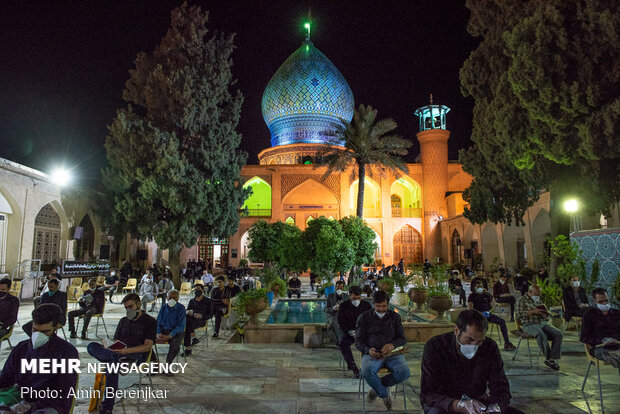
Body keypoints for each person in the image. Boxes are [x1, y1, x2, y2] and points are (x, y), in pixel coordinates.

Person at [420, 309, 524, 414]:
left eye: (479, 341)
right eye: (469, 340)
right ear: (456, 331)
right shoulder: (435, 346)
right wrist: (456, 405)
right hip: (444, 403)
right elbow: (428, 393)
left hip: (476, 401)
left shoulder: (489, 347)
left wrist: (496, 407)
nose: (474, 346)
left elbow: (501, 387)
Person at [0, 304, 78, 414]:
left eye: (45, 332)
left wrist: (31, 406)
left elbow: (64, 392)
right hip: (19, 399)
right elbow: (5, 379)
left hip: (50, 404)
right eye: (35, 330)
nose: (38, 335)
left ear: (56, 327)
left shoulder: (67, 352)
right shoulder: (21, 348)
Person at [87, 293, 156, 414]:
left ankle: (107, 406)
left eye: (131, 307)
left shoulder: (149, 321)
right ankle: (113, 357)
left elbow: (147, 347)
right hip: (118, 352)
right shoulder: (123, 321)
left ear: (138, 304)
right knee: (91, 346)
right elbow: (116, 340)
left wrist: (126, 351)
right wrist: (108, 345)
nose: (128, 310)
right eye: (126, 308)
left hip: (136, 354)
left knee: (111, 365)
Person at [356, 290, 409, 410]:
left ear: (388, 304)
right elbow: (358, 341)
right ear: (373, 304)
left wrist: (392, 345)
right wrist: (368, 350)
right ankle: (384, 393)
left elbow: (402, 339)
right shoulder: (364, 318)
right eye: (378, 306)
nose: (381, 309)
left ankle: (377, 388)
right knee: (367, 371)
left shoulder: (395, 317)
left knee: (405, 372)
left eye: (384, 306)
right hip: (372, 354)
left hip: (392, 354)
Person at [516, 284, 563, 370]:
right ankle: (549, 359)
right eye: (536, 294)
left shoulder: (539, 301)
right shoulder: (522, 300)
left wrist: (545, 315)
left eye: (539, 294)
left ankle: (552, 358)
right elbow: (518, 314)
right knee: (540, 334)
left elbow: (547, 315)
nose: (538, 296)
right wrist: (533, 311)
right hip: (529, 324)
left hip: (542, 322)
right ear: (530, 292)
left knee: (558, 333)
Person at [580, 288, 620, 375]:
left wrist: (616, 340)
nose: (604, 303)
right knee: (615, 355)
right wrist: (602, 341)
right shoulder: (589, 315)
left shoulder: (616, 314)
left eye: (606, 301)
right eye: (601, 302)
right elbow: (584, 337)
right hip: (600, 348)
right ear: (594, 301)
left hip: (617, 345)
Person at [468, 281, 515, 351]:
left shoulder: (486, 295)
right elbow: (470, 309)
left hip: (487, 315)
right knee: (481, 326)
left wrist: (488, 312)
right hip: (478, 316)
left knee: (502, 321)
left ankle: (507, 343)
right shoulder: (472, 296)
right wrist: (480, 314)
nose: (480, 288)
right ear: (474, 288)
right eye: (478, 287)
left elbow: (492, 307)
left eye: (481, 286)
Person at [337, 285, 372, 378]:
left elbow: (371, 321)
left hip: (363, 333)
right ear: (349, 296)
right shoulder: (343, 306)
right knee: (342, 343)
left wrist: (362, 331)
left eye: (358, 298)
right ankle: (353, 368)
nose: (356, 300)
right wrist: (350, 331)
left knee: (372, 343)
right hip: (349, 333)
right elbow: (341, 322)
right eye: (354, 298)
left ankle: (368, 367)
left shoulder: (366, 306)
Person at [155, 290, 186, 372]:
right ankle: (154, 363)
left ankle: (168, 364)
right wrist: (158, 333)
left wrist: (169, 336)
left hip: (176, 331)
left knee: (175, 345)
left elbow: (180, 326)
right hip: (163, 330)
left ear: (178, 298)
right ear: (167, 297)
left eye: (174, 298)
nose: (171, 300)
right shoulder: (164, 307)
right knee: (147, 340)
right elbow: (158, 322)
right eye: (170, 297)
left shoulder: (181, 308)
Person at [182, 283, 212, 357]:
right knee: (186, 320)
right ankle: (192, 340)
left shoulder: (208, 301)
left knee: (187, 326)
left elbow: (210, 314)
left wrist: (202, 316)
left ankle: (190, 345)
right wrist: (189, 312)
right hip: (192, 319)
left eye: (198, 289)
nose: (196, 291)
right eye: (195, 289)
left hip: (201, 320)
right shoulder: (192, 301)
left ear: (202, 290)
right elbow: (188, 310)